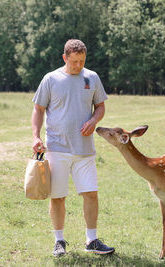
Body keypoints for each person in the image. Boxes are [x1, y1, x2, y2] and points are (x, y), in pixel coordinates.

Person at [31, 39, 114, 257]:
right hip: (57, 147)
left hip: (85, 149)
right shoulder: (51, 79)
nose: (78, 66)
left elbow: (101, 106)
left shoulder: (92, 77)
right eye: (74, 61)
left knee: (91, 194)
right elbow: (38, 110)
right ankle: (59, 241)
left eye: (82, 61)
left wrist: (94, 120)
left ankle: (92, 240)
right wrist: (35, 136)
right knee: (57, 196)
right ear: (65, 57)